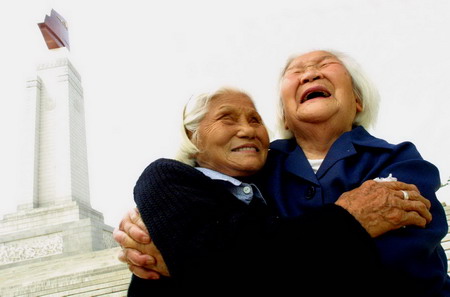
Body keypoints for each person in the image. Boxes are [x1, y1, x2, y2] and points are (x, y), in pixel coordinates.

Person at [121, 86, 432, 296]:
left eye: (255, 119)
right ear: (193, 134)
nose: (248, 129)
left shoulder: (266, 187)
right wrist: (350, 218)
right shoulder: (166, 176)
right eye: (227, 118)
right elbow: (225, 264)